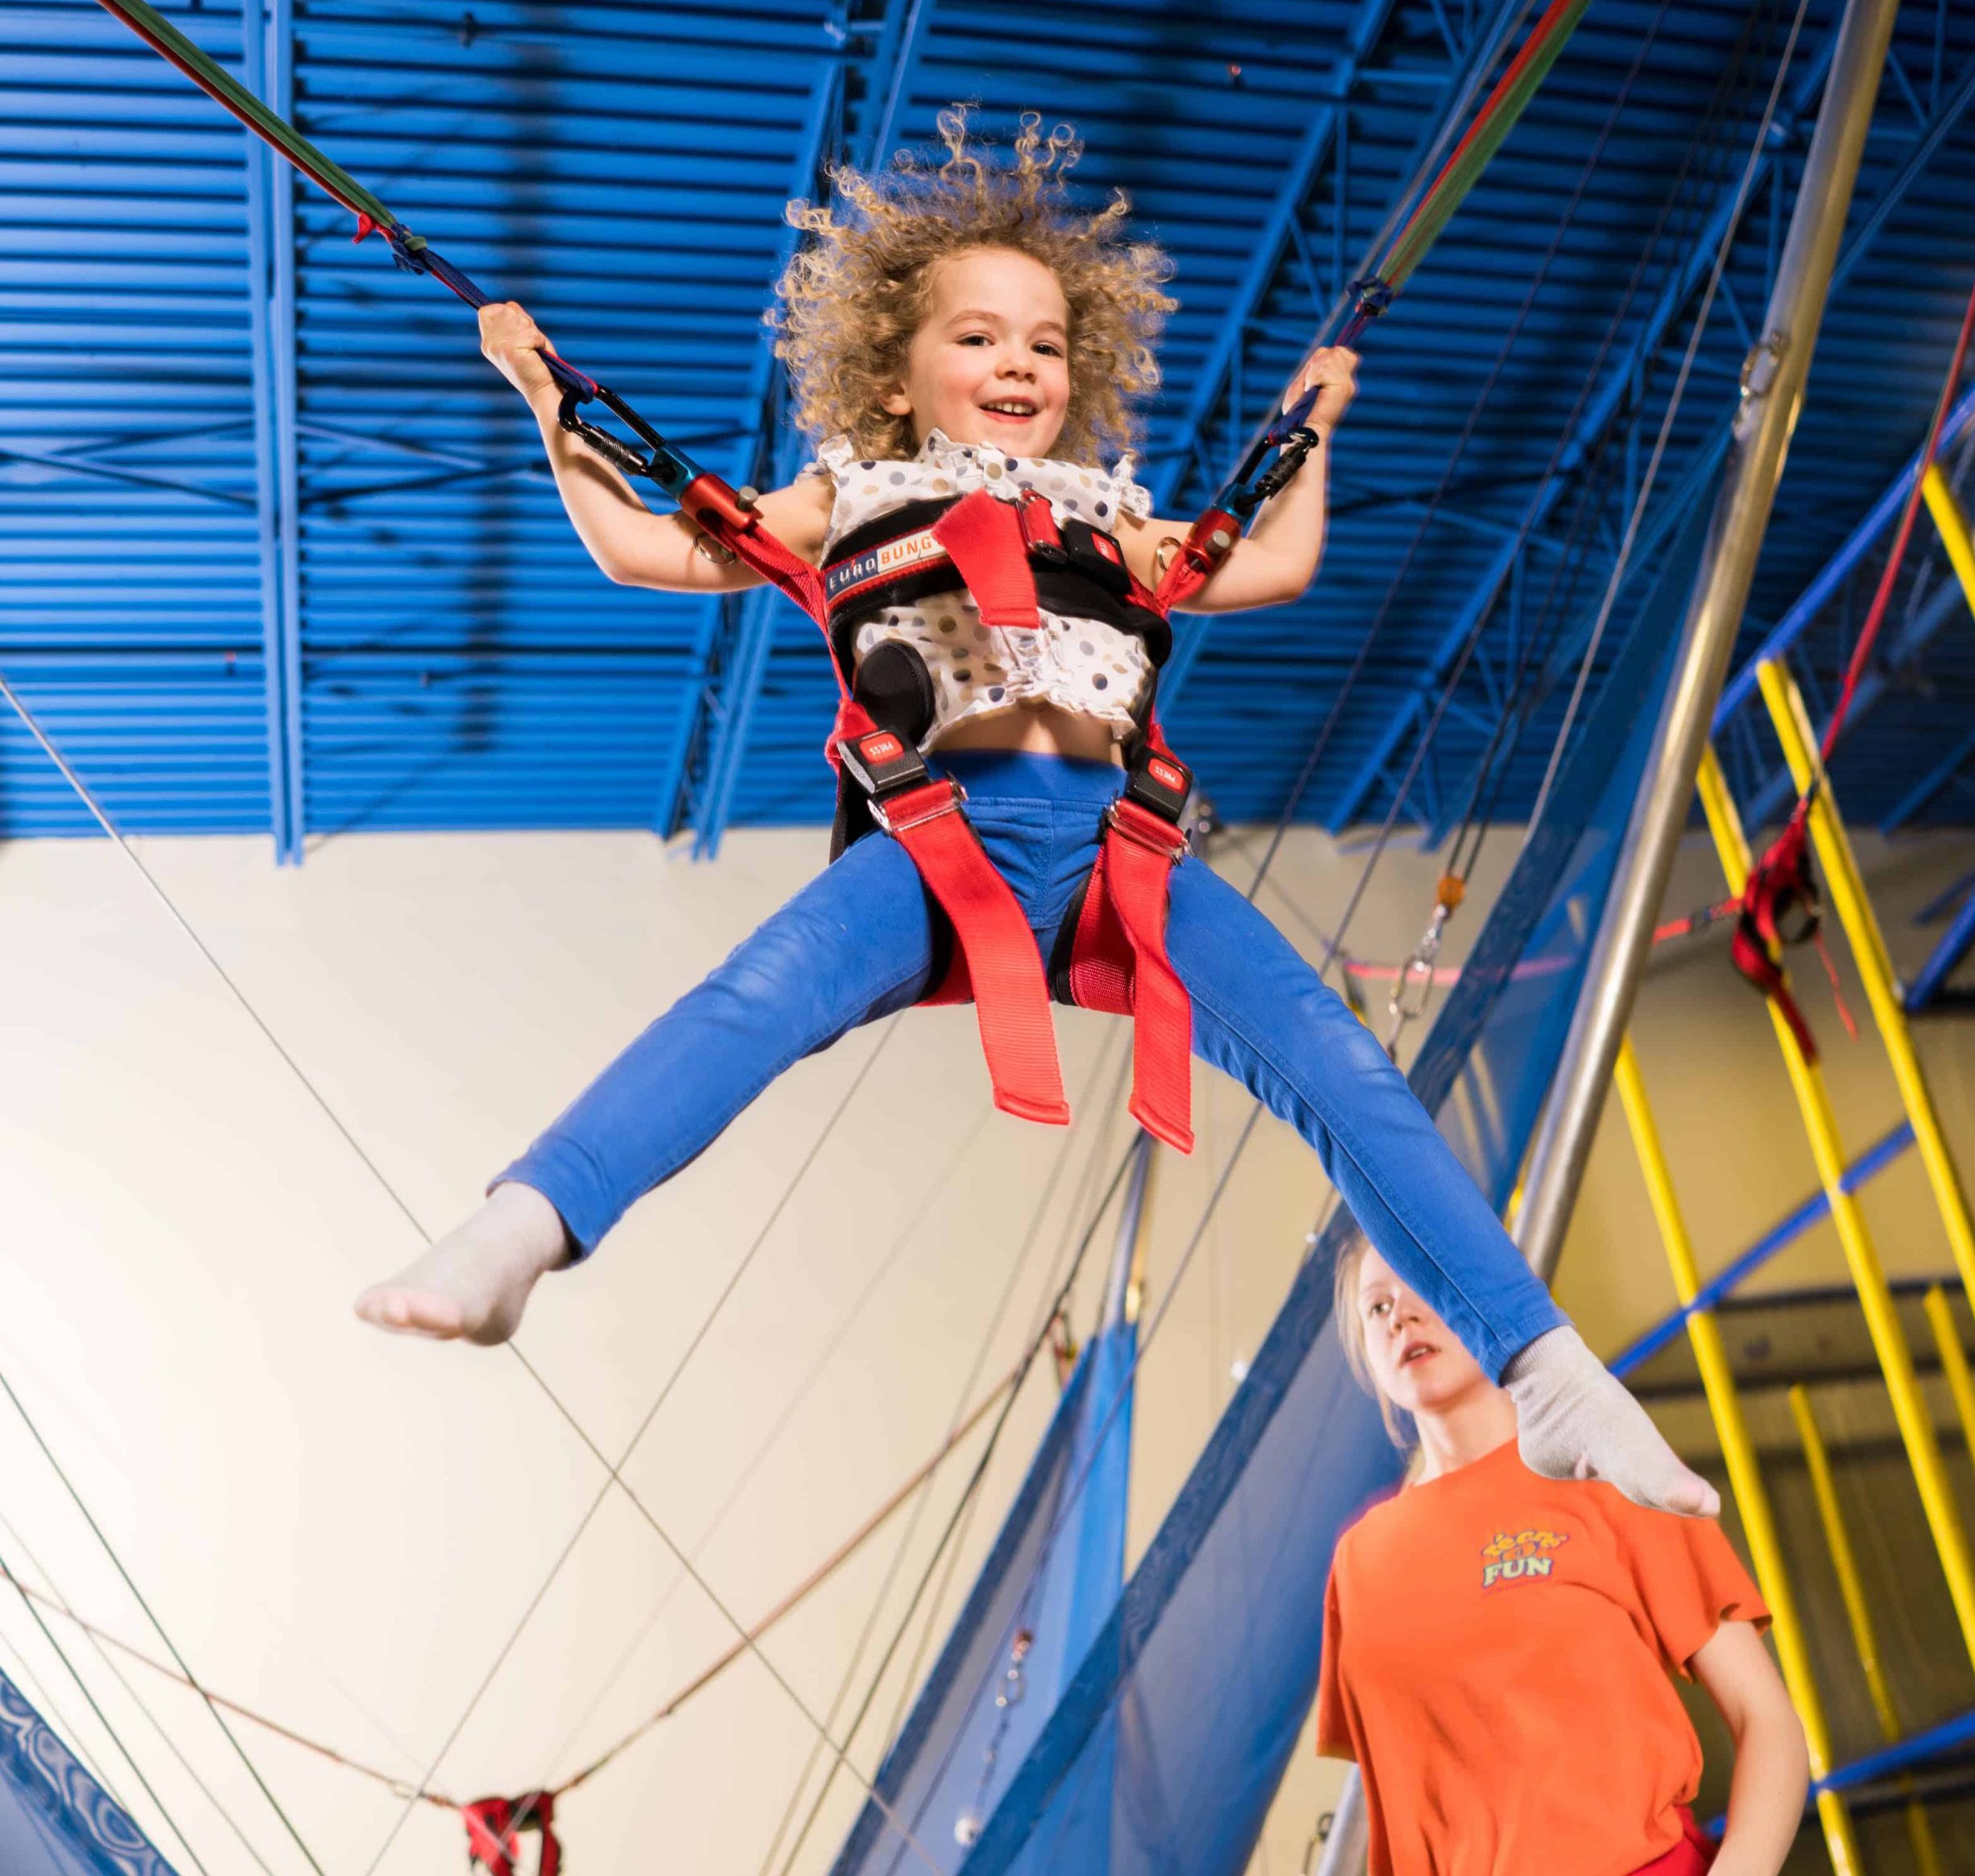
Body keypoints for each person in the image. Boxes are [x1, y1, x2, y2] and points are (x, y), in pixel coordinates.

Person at [353, 111, 1715, 1520]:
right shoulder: (850, 491)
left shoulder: (1111, 518)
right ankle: (523, 1227)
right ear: (896, 369)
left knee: (1343, 1070)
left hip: (1125, 857)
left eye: (1046, 344)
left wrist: (1311, 427)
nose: (1017, 362)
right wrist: (544, 402)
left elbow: (1275, 563)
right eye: (979, 336)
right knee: (743, 1007)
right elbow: (649, 549)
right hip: (941, 848)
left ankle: (1547, 1375)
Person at [1318, 1234, 1809, 1876]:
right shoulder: (1359, 1564)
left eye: (1422, 1279)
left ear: (1488, 1294)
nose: (1401, 1315)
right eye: (1376, 1308)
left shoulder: (1610, 1470)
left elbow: (1767, 1721)